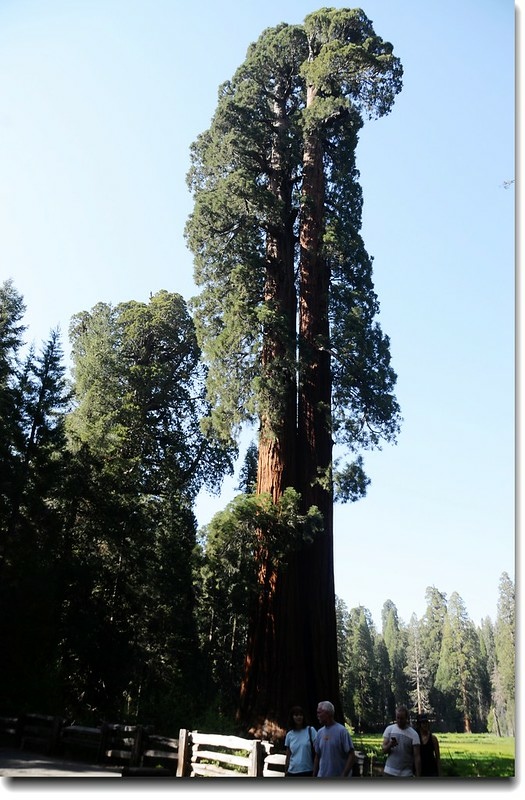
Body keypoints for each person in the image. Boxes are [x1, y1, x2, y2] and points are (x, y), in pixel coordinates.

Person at [313, 700, 355, 778]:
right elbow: (317, 755)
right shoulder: (319, 732)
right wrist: (314, 775)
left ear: (327, 713)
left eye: (319, 712)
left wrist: (344, 775)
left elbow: (351, 755)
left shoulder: (342, 731)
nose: (317, 715)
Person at [382, 705, 421, 777]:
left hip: (405, 774)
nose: (399, 721)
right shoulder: (389, 729)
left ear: (406, 718)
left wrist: (418, 774)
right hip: (389, 771)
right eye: (398, 718)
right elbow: (383, 750)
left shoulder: (413, 734)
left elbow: (417, 757)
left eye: (402, 718)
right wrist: (390, 745)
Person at [284, 705, 316, 777]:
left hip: (308, 770)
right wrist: (286, 769)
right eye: (296, 715)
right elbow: (288, 754)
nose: (299, 717)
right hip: (292, 772)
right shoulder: (289, 735)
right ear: (292, 717)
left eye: (301, 715)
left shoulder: (311, 731)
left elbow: (318, 751)